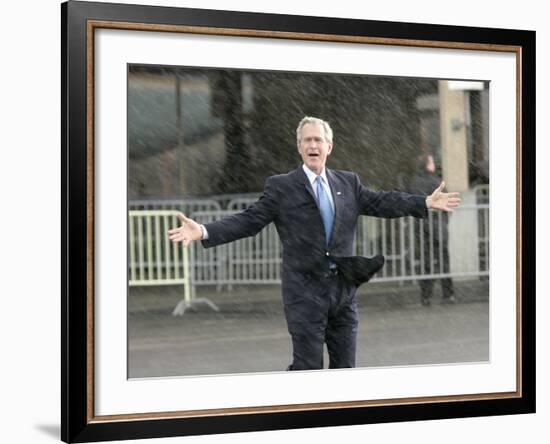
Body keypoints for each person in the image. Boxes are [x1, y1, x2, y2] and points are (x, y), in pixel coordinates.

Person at [168, 117, 461, 371]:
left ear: (329, 146)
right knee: (308, 369)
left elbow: (382, 201)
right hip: (304, 293)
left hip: (342, 292)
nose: (313, 145)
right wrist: (204, 230)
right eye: (307, 140)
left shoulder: (348, 183)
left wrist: (423, 202)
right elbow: (249, 220)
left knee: (345, 369)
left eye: (318, 140)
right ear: (299, 147)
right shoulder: (281, 186)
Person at [408, 154, 456, 306]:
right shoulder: (436, 182)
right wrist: (444, 221)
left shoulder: (414, 182)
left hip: (421, 227)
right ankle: (448, 294)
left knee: (425, 261)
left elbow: (409, 200)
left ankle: (425, 296)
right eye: (432, 162)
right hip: (438, 227)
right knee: (443, 261)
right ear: (428, 165)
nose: (434, 164)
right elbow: (447, 201)